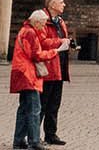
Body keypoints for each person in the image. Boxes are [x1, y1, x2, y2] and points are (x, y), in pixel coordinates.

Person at [9, 9, 61, 150]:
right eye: (43, 24)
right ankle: (34, 141)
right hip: (28, 75)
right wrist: (54, 52)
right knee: (34, 109)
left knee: (24, 109)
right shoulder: (30, 33)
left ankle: (19, 140)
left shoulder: (24, 30)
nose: (43, 27)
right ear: (37, 22)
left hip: (21, 72)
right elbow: (36, 55)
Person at [41, 0, 72, 147]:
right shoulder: (42, 21)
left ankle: (50, 134)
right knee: (41, 105)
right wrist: (60, 42)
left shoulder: (60, 21)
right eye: (61, 2)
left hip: (59, 68)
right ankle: (33, 135)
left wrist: (68, 44)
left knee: (54, 105)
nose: (64, 4)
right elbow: (41, 41)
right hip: (47, 69)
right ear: (52, 5)